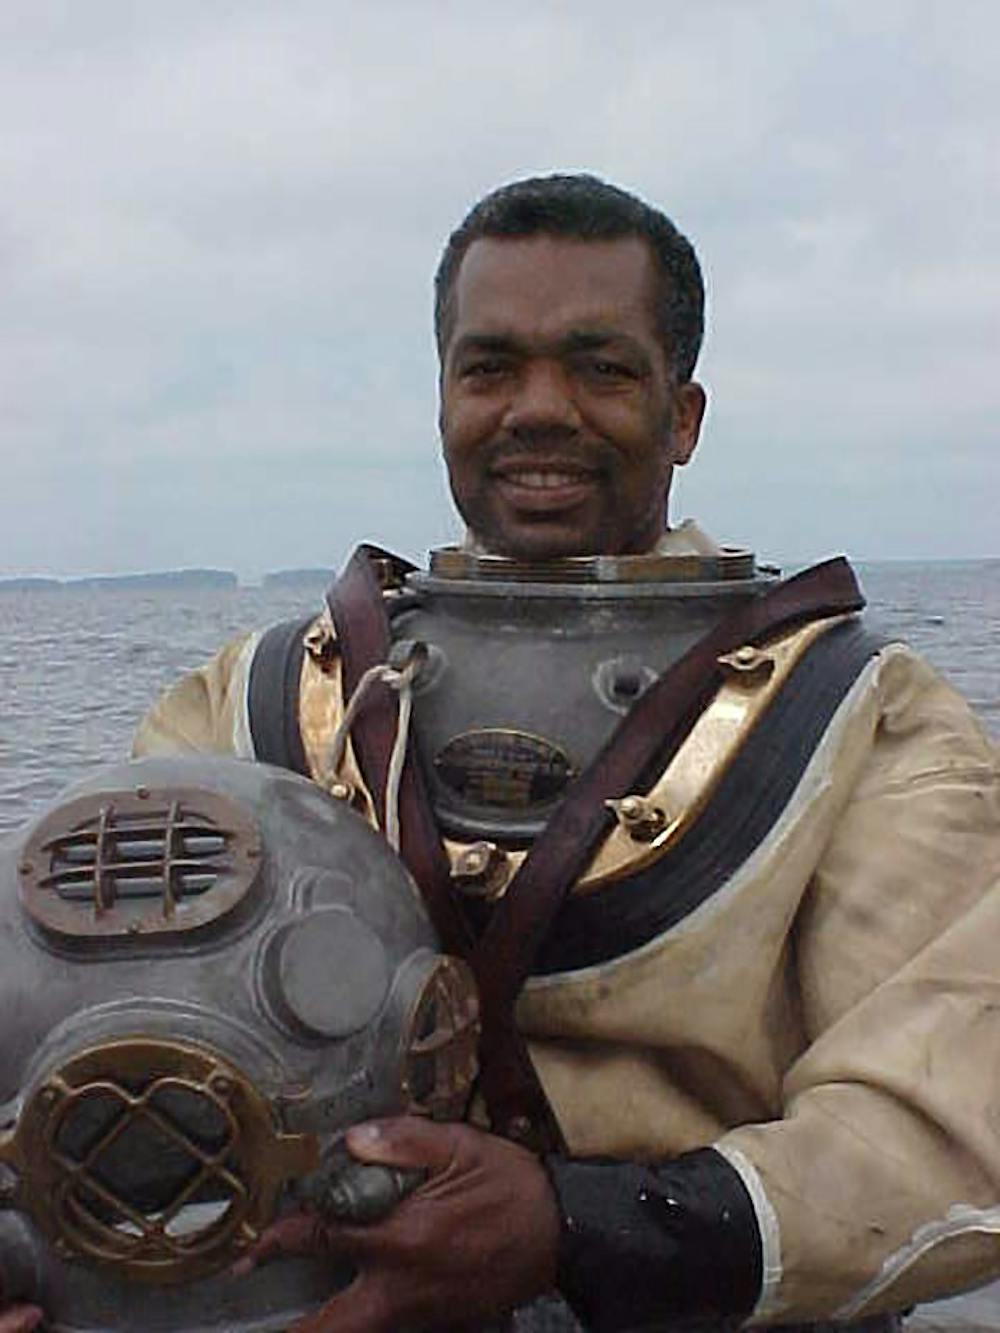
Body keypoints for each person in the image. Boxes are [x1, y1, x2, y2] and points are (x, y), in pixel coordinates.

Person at [129, 175, 1000, 1333]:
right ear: (444, 399)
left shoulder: (861, 722)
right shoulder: (259, 705)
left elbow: (949, 1128)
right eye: (491, 368)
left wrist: (575, 1224)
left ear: (682, 415)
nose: (540, 408)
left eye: (600, 367)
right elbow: (103, 1027)